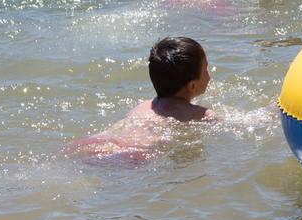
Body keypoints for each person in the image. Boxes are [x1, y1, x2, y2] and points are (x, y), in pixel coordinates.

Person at [66, 37, 212, 160]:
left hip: (96, 143)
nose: (209, 75)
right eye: (206, 68)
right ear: (192, 85)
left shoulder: (144, 106)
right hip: (132, 154)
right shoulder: (200, 114)